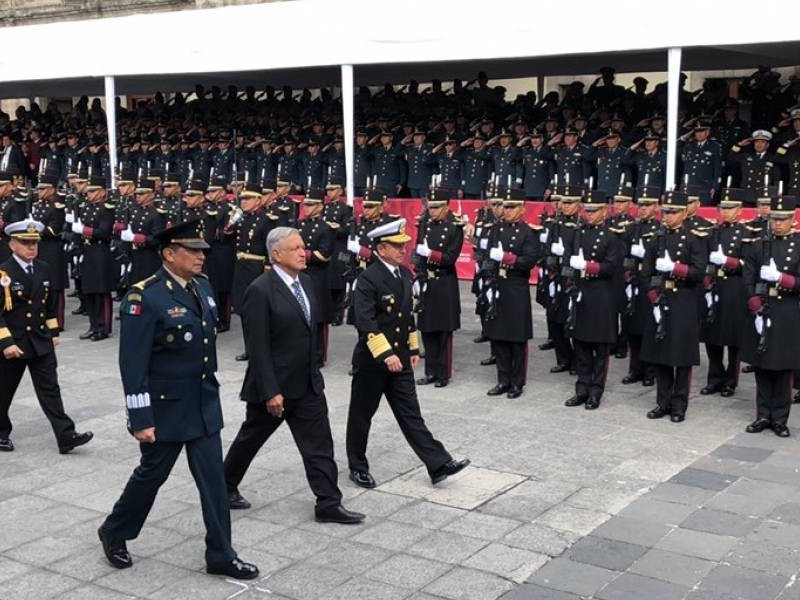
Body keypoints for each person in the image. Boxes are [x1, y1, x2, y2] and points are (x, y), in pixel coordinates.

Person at [98, 220, 259, 579]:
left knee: (214, 482)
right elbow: (133, 363)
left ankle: (220, 553)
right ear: (169, 254)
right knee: (151, 476)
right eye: (193, 251)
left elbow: (206, 347)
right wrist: (140, 418)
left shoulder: (201, 288)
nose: (202, 256)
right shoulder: (145, 296)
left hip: (202, 405)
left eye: (203, 250)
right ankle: (115, 530)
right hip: (166, 408)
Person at [223, 226, 364, 524]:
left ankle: (328, 502)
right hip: (275, 388)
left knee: (320, 446)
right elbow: (258, 347)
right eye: (296, 248)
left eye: (304, 247)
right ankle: (223, 486)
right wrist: (270, 390)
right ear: (277, 254)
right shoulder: (260, 290)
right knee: (250, 439)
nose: (304, 252)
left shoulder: (308, 283)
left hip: (308, 384)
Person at [346, 218, 469, 488]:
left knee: (411, 414)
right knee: (361, 415)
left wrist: (412, 347)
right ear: (381, 249)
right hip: (373, 361)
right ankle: (357, 466)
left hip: (399, 360)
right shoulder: (367, 279)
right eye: (396, 246)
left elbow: (407, 317)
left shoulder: (403, 274)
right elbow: (365, 322)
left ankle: (437, 463)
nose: (403, 250)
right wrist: (385, 354)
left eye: (403, 244)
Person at [0, 219, 93, 453]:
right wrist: (6, 343)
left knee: (50, 389)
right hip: (15, 343)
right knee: (3, 391)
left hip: (40, 341)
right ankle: (1, 433)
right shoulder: (4, 273)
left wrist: (53, 332)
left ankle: (66, 435)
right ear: (12, 245)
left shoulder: (43, 268)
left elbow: (48, 305)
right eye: (25, 243)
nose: (31, 247)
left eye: (34, 243)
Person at [641, 190, 708, 422]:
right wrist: (652, 295)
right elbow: (646, 273)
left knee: (681, 356)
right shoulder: (655, 239)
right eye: (665, 212)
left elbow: (699, 272)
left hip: (683, 300)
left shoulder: (693, 239)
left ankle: (679, 404)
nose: (667, 216)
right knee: (660, 354)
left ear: (683, 213)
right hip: (660, 300)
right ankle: (663, 401)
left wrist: (676, 268)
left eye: (673, 212)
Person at [741, 193, 800, 437]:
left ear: (792, 219)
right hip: (763, 308)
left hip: (787, 309)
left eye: (782, 219)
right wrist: (753, 301)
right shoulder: (758, 245)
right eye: (774, 218)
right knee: (762, 365)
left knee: (783, 367)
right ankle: (763, 414)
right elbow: (748, 277)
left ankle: (780, 418)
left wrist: (782, 279)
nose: (777, 223)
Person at [564, 191, 622, 409]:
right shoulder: (577, 233)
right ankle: (581, 388)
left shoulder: (611, 236)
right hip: (582, 293)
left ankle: (596, 390)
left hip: (601, 295)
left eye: (593, 210)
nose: (588, 214)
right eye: (586, 210)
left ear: (604, 211)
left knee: (599, 349)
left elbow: (610, 266)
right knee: (580, 344)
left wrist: (589, 267)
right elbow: (569, 257)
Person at [484, 188, 541, 398]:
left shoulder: (528, 232)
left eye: (511, 207)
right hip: (499, 286)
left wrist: (507, 258)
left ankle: (517, 382)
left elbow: (529, 260)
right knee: (499, 336)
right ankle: (502, 379)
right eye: (505, 206)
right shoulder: (496, 229)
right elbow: (489, 253)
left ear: (522, 208)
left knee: (516, 338)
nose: (507, 211)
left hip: (516, 287)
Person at [699, 188, 751, 397]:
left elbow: (749, 266)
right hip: (714, 285)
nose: (725, 211)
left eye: (730, 208)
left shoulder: (747, 234)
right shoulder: (713, 232)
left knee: (733, 338)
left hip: (734, 287)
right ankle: (714, 377)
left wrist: (729, 262)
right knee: (712, 335)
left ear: (739, 209)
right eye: (723, 208)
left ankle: (730, 379)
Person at [413, 187, 464, 387]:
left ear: (446, 207)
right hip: (427, 280)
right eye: (430, 207)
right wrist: (418, 273)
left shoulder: (454, 227)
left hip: (444, 281)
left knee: (443, 330)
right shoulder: (425, 223)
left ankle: (443, 373)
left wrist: (430, 254)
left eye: (436, 207)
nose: (432, 211)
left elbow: (451, 258)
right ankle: (430, 371)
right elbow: (418, 250)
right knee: (427, 327)